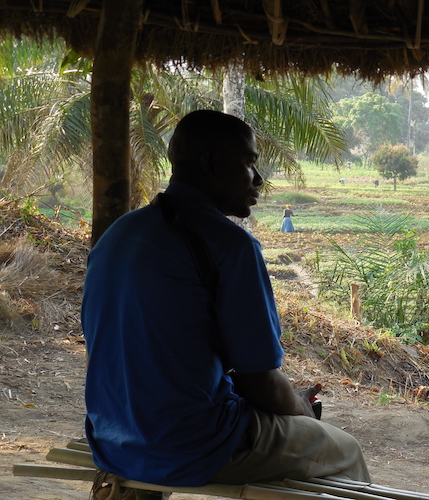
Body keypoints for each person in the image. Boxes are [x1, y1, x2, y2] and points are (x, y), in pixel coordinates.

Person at [82, 110, 371, 489]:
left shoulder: (119, 234)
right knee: (346, 450)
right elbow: (260, 381)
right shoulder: (229, 246)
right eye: (249, 163)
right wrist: (301, 410)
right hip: (191, 445)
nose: (259, 179)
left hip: (112, 437)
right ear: (210, 164)